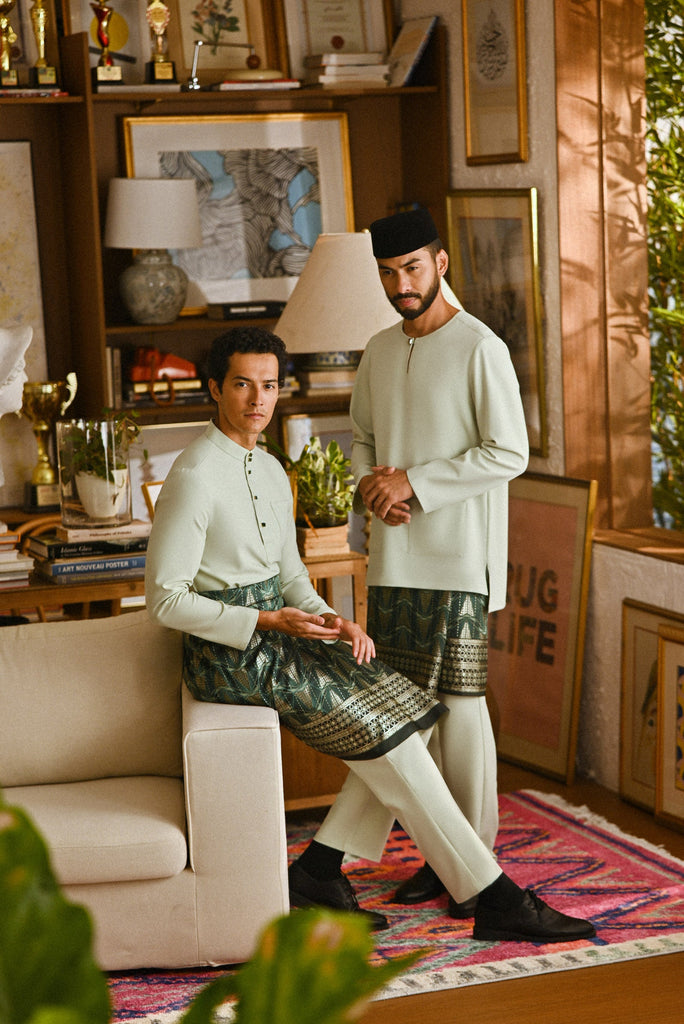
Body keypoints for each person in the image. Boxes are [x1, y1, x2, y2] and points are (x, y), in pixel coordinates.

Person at [145, 324, 595, 943]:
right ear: (215, 389)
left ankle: (321, 869)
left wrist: (335, 621)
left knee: (407, 705)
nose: (257, 400)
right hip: (229, 656)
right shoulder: (194, 475)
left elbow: (292, 577)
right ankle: (494, 898)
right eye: (243, 385)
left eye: (269, 386)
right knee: (388, 734)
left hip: (284, 636)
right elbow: (165, 600)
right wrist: (265, 620)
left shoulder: (271, 470)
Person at [310, 206, 530, 919]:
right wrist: (373, 490)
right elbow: (363, 440)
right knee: (402, 711)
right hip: (394, 554)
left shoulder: (480, 346)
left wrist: (416, 484)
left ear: (439, 263)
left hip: (461, 557)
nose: (400, 284)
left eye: (411, 268)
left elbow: (509, 452)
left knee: (459, 709)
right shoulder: (378, 350)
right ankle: (446, 861)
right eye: (387, 273)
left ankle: (473, 865)